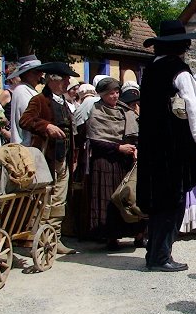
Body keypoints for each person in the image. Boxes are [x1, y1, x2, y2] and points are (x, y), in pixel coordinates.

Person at [137, 20, 196, 272]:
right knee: (172, 201)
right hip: (173, 146)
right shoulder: (180, 71)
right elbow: (195, 108)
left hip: (151, 145)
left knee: (158, 202)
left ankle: (154, 252)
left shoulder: (151, 69)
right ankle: (161, 255)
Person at [19, 62, 80, 255]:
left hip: (63, 158)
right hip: (47, 158)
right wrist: (46, 126)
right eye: (65, 79)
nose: (68, 82)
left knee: (59, 200)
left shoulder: (63, 101)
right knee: (44, 200)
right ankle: (40, 239)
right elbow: (25, 120)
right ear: (54, 80)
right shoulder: (39, 100)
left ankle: (55, 238)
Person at [85, 78, 144, 250]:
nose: (115, 96)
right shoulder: (96, 112)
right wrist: (119, 147)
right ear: (102, 94)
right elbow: (95, 141)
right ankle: (111, 237)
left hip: (125, 161)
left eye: (117, 92)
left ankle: (138, 234)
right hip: (105, 162)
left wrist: (134, 148)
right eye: (111, 93)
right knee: (108, 200)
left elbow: (135, 134)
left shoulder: (124, 110)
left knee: (129, 196)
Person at [8, 54, 44, 146]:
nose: (40, 75)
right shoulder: (22, 90)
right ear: (27, 74)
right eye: (36, 72)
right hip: (25, 145)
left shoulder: (29, 90)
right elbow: (31, 117)